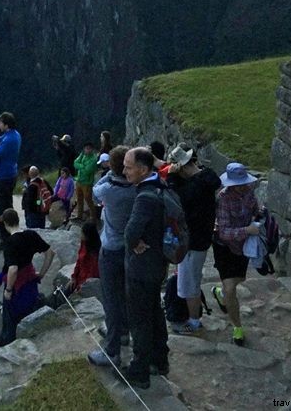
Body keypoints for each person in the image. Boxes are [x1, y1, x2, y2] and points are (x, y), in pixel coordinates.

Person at [120, 146, 171, 389]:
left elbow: (130, 232)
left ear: (142, 169)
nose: (124, 171)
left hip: (142, 268)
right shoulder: (161, 186)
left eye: (128, 167)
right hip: (158, 263)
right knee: (155, 312)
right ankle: (160, 360)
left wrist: (134, 243)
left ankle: (140, 370)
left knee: (139, 318)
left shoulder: (144, 197)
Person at [89, 145, 134, 370]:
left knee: (111, 298)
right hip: (133, 250)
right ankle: (124, 332)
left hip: (111, 249)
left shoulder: (108, 190)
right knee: (125, 294)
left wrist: (110, 172)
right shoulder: (139, 189)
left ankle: (112, 350)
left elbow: (94, 189)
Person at [167, 147, 219, 334]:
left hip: (193, 242)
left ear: (181, 167)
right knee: (191, 281)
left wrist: (172, 179)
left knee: (189, 286)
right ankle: (194, 317)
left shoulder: (192, 188)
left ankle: (194, 322)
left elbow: (176, 200)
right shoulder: (206, 178)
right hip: (201, 239)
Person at [211, 162, 262, 347]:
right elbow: (223, 231)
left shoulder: (249, 192)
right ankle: (237, 327)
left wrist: (260, 214)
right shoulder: (223, 199)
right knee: (231, 287)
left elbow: (255, 209)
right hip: (224, 247)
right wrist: (247, 230)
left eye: (243, 182)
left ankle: (219, 293)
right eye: (237, 184)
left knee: (238, 280)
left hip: (243, 248)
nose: (241, 186)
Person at [0, 208, 55, 347]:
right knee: (30, 311)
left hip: (16, 287)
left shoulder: (9, 243)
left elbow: (13, 269)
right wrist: (42, 273)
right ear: (18, 220)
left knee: (10, 318)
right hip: (30, 281)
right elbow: (50, 253)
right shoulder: (31, 235)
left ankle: (6, 342)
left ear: (5, 224)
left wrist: (8, 290)